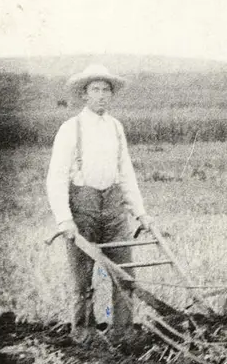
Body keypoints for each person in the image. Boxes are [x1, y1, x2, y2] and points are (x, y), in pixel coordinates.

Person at [46, 64, 153, 343]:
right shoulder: (71, 128)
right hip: (84, 206)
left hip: (114, 206)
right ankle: (84, 333)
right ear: (84, 94)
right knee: (83, 277)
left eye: (107, 90)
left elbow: (125, 172)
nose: (102, 95)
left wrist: (140, 212)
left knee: (124, 273)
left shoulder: (116, 127)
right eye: (96, 89)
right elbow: (56, 177)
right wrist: (64, 219)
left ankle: (123, 332)